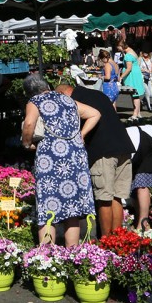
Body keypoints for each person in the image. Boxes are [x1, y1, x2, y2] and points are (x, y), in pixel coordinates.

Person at [20, 74, 98, 246]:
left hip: (52, 158)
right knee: (72, 208)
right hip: (76, 156)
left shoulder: (35, 101)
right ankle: (72, 252)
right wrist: (81, 135)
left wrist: (26, 143)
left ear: (29, 92)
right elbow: (94, 114)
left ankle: (47, 254)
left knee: (48, 205)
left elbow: (29, 124)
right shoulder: (67, 100)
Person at [56, 78, 131, 238]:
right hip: (124, 146)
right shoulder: (97, 94)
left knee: (104, 197)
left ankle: (105, 240)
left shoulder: (74, 102)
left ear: (63, 93)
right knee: (117, 196)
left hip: (103, 151)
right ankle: (117, 240)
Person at [119, 42, 145, 119]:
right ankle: (138, 113)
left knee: (134, 94)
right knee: (136, 94)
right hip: (136, 74)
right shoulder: (132, 52)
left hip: (132, 76)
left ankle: (135, 114)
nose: (118, 50)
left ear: (121, 46)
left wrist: (121, 76)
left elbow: (129, 68)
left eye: (118, 48)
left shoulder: (128, 55)